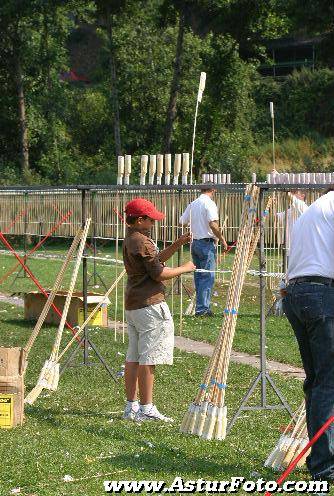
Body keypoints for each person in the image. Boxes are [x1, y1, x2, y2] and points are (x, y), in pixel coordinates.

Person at [122, 197, 195, 422]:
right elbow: (158, 273)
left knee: (133, 357)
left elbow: (153, 263)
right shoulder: (144, 241)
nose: (153, 223)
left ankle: (131, 407)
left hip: (133, 304)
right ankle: (147, 409)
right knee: (148, 357)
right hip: (150, 306)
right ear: (140, 220)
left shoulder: (131, 239)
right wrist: (185, 268)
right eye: (150, 219)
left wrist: (177, 244)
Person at [282, 188, 334, 482]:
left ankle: (319, 458)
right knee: (328, 382)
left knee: (317, 381)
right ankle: (324, 466)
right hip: (321, 294)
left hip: (297, 293)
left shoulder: (312, 210)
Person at [179, 184, 227, 316]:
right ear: (213, 190)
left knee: (199, 275)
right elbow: (213, 224)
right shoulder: (209, 204)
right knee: (207, 276)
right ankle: (202, 309)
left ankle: (201, 307)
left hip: (195, 243)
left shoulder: (193, 203)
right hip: (206, 243)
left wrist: (195, 223)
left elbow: (182, 221)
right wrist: (221, 238)